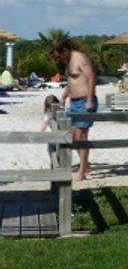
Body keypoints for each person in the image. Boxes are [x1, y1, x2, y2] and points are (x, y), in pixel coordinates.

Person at [50, 38, 97, 181]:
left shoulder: (80, 58)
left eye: (59, 55)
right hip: (74, 102)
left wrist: (89, 100)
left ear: (65, 50)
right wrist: (64, 96)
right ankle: (86, 165)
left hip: (84, 101)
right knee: (74, 137)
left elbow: (91, 77)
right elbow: (72, 81)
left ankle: (82, 171)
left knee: (81, 137)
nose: (59, 59)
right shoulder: (69, 61)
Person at [41, 95, 60, 168]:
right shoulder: (61, 111)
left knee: (52, 150)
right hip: (56, 135)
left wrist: (41, 132)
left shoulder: (48, 114)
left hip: (51, 135)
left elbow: (44, 124)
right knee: (55, 150)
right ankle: (55, 163)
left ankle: (54, 163)